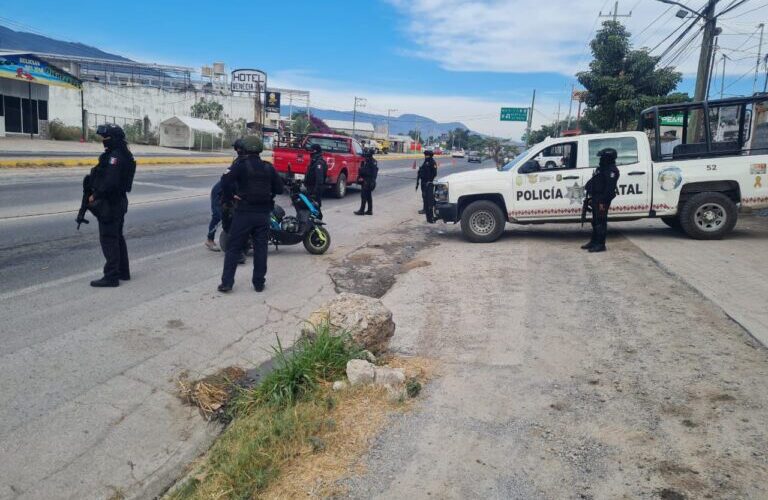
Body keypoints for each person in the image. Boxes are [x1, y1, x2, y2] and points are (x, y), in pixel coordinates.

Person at [218, 136, 283, 293]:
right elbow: (280, 189)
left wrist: (231, 196)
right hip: (263, 215)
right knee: (261, 249)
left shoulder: (240, 165)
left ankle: (227, 283)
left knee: (233, 248)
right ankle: (259, 284)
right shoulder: (268, 167)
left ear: (244, 149)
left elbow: (224, 182)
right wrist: (268, 194)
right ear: (260, 150)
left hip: (243, 213)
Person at [86, 124, 136, 287]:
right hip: (118, 202)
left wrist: (95, 195)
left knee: (109, 239)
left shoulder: (116, 156)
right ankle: (123, 271)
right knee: (117, 237)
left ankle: (111, 276)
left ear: (113, 139)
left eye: (106, 138)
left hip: (111, 204)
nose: (103, 141)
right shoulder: (123, 154)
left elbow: (110, 182)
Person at [206, 140, 245, 251]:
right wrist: (232, 196)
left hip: (229, 193)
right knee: (218, 216)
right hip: (220, 193)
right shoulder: (238, 162)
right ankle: (209, 240)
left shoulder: (242, 161)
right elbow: (228, 182)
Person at [582, 148, 620, 253]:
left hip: (602, 200)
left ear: (608, 158)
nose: (600, 159)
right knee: (595, 221)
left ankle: (600, 244)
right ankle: (594, 241)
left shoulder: (611, 170)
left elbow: (609, 189)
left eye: (602, 157)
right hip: (596, 197)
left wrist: (602, 201)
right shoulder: (603, 168)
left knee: (601, 222)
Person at [355, 147, 378, 215]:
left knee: (364, 196)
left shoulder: (369, 162)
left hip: (367, 181)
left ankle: (362, 210)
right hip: (371, 181)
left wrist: (360, 170)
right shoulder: (373, 161)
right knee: (368, 196)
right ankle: (369, 210)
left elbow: (365, 171)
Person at [416, 149, 438, 222]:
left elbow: (434, 173)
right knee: (424, 195)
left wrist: (429, 180)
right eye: (425, 155)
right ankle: (425, 209)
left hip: (428, 183)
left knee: (427, 196)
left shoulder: (432, 162)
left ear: (430, 155)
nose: (425, 156)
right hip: (423, 182)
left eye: (427, 155)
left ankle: (427, 210)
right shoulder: (426, 161)